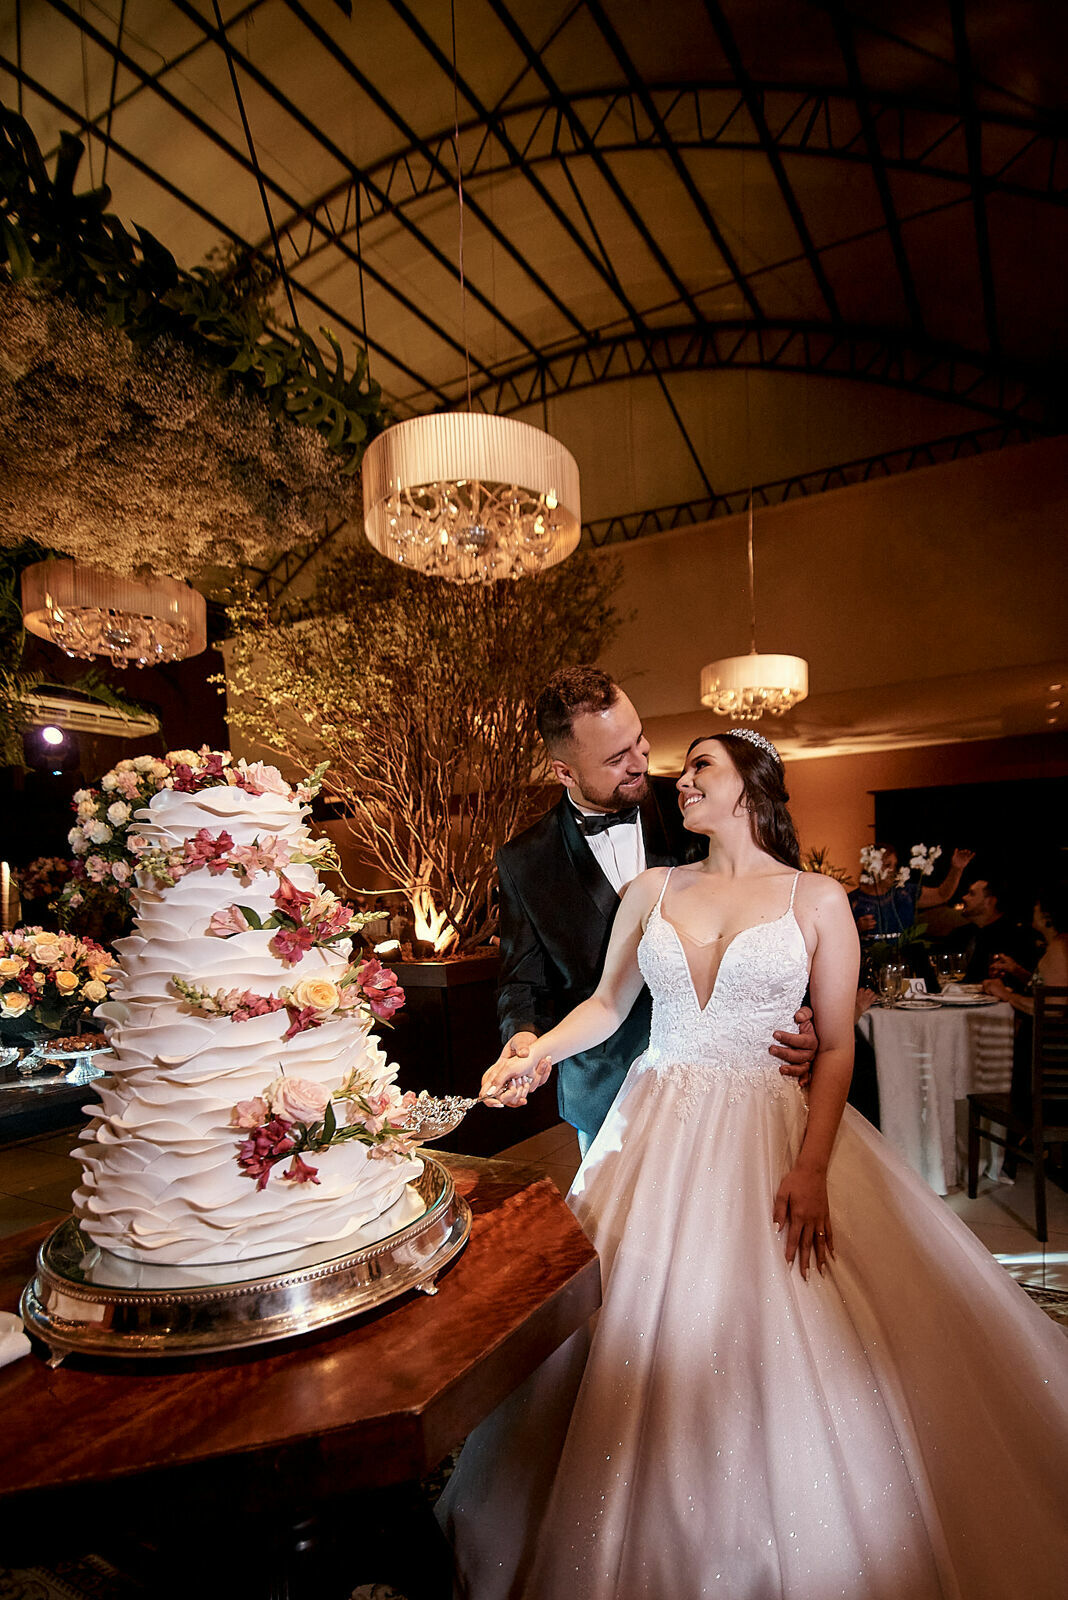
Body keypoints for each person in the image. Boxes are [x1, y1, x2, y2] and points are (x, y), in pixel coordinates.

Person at [439, 729, 1068, 1600]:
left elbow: (839, 1045)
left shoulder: (818, 899)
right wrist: (535, 1054)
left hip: (771, 1126)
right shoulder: (650, 888)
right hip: (652, 1124)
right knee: (619, 1316)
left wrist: (811, 1168)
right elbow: (608, 1003)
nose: (680, 779)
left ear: (751, 786)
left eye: (701, 766)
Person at [491, 666, 817, 1154]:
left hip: (734, 1084)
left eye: (640, 741)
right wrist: (524, 1042)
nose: (641, 761)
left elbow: (783, 919)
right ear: (565, 772)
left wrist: (803, 1019)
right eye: (617, 757)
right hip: (602, 1083)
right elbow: (522, 979)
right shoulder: (524, 861)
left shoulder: (700, 803)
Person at [848, 841, 974, 947]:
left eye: (894, 865)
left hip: (905, 964)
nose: (892, 870)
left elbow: (942, 895)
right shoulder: (852, 901)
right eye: (887, 865)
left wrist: (956, 869)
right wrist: (856, 929)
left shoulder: (904, 892)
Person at [956, 869, 1036, 984]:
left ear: (989, 901)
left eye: (972, 894)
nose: (964, 897)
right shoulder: (962, 934)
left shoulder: (1015, 936)